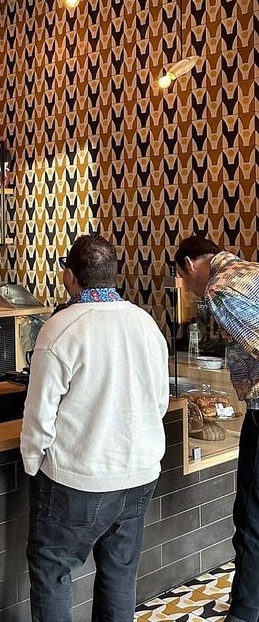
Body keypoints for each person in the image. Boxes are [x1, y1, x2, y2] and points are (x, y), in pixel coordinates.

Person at [21, 234, 169, 622]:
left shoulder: (60, 328)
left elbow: (39, 414)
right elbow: (160, 402)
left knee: (52, 569)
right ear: (112, 275)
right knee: (120, 574)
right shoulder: (146, 323)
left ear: (70, 277)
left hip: (78, 479)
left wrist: (33, 462)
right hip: (139, 475)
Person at [174, 236, 259, 622]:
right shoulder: (249, 271)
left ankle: (245, 612)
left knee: (251, 516)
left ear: (190, 265)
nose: (187, 289)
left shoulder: (221, 290)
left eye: (182, 278)